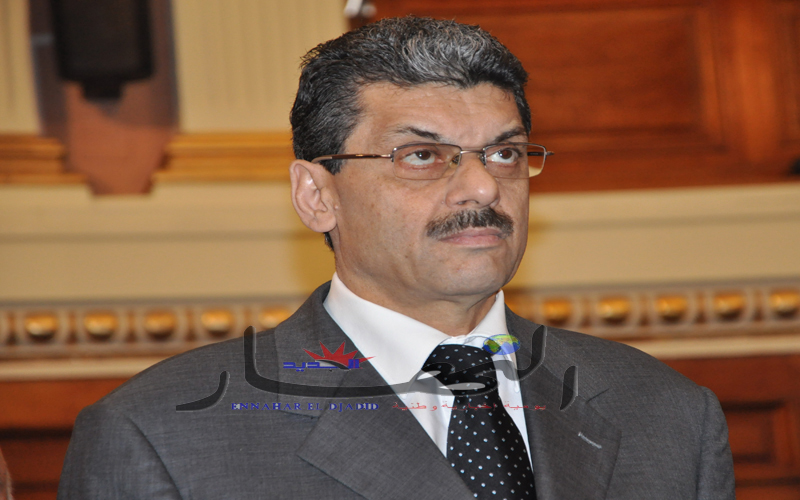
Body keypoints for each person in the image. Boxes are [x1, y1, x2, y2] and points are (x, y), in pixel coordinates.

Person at [58, 17, 734, 499]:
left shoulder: (670, 416)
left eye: (504, 153)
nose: (482, 187)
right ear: (317, 196)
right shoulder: (161, 436)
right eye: (422, 156)